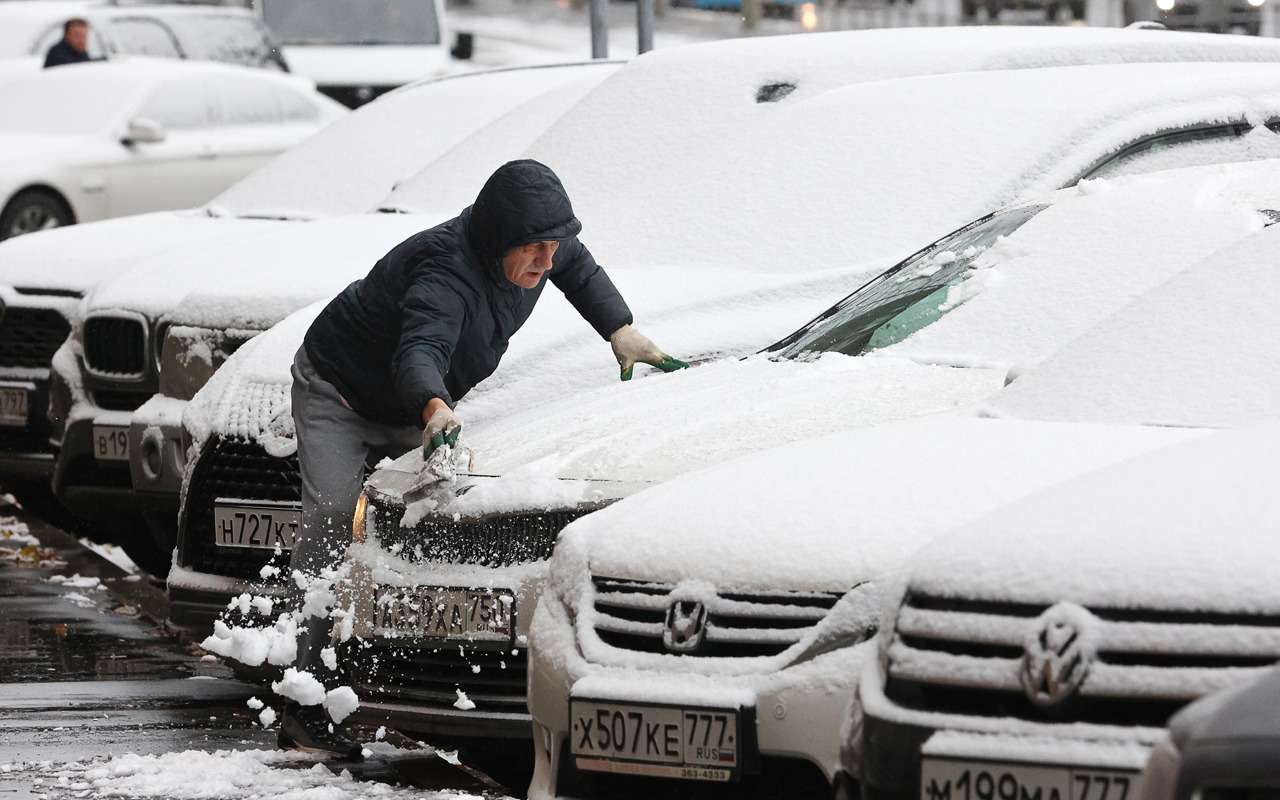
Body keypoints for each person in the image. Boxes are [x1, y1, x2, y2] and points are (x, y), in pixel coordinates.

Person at [279, 159, 686, 756]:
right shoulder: (444, 272)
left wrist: (619, 330)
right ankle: (304, 695)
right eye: (535, 249)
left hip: (420, 406)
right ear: (498, 242)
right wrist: (433, 404)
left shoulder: (542, 247)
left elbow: (580, 269)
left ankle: (410, 669)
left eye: (554, 245)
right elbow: (422, 347)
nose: (548, 260)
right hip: (340, 392)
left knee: (430, 517)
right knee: (336, 519)